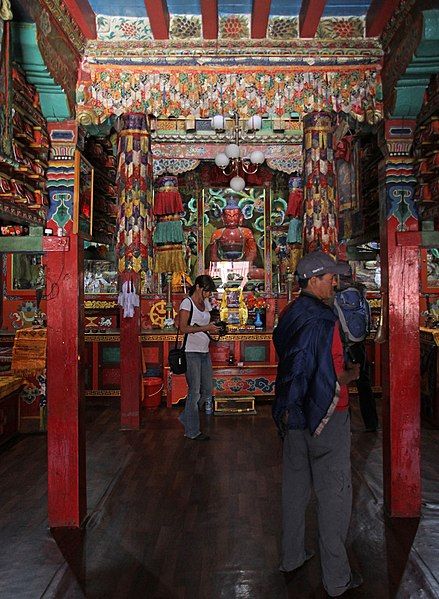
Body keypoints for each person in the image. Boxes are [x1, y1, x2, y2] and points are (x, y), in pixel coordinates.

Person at [272, 250, 362, 598]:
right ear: (313, 280)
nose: (335, 284)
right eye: (330, 278)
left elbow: (291, 359)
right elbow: (336, 372)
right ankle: (337, 579)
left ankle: (292, 557)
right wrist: (355, 374)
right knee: (334, 496)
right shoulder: (326, 321)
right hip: (328, 416)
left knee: (294, 491)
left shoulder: (289, 314)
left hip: (292, 414)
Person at [177, 275, 221, 441]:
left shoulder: (206, 303)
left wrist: (215, 330)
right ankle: (192, 431)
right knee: (194, 392)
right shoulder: (187, 303)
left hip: (204, 351)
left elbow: (206, 327)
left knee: (207, 390)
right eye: (207, 290)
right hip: (191, 351)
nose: (208, 294)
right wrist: (206, 327)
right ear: (198, 287)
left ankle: (186, 417)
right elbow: (183, 328)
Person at [334, 270, 379, 432]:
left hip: (342, 344)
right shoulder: (360, 295)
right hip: (358, 344)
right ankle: (372, 422)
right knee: (364, 385)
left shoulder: (335, 297)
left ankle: (344, 425)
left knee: (340, 384)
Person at [207, 197, 265, 280]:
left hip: (242, 265)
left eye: (235, 216)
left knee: (261, 273)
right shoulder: (217, 233)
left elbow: (252, 252)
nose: (231, 218)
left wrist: (246, 263)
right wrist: (222, 264)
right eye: (228, 216)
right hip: (223, 266)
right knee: (207, 273)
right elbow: (213, 256)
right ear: (223, 218)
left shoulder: (246, 232)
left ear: (240, 217)